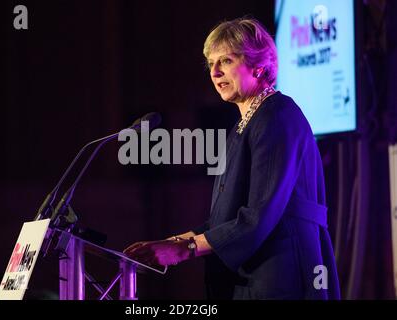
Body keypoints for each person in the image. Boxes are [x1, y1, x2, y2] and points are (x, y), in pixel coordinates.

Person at [124, 17, 340, 300]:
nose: (214, 73)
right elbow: (225, 218)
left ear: (259, 64)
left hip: (281, 273)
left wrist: (184, 249)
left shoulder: (277, 116)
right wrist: (174, 241)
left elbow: (259, 214)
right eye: (211, 64)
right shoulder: (243, 125)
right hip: (254, 273)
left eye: (225, 61)